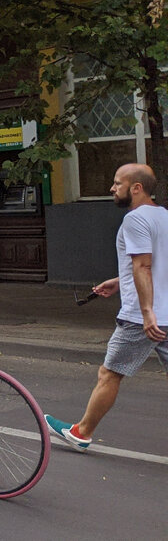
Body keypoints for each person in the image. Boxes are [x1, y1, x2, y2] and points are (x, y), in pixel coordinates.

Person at [44, 164, 168, 451]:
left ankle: (82, 432)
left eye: (117, 183)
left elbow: (143, 265)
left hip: (141, 317)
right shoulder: (163, 216)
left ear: (136, 188)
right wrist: (118, 280)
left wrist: (148, 311)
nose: (112, 188)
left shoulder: (134, 220)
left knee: (110, 373)